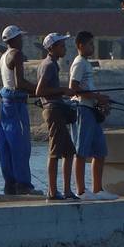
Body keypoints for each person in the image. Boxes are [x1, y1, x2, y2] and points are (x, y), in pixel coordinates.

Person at [68, 32, 115, 200]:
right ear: (80, 45)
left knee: (100, 151)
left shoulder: (86, 64)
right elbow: (74, 88)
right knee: (81, 151)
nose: (92, 48)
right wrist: (97, 97)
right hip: (82, 110)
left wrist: (100, 99)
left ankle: (97, 189)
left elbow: (87, 88)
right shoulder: (79, 63)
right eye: (89, 45)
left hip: (91, 110)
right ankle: (81, 190)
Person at [0, 26, 41, 195]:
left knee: (6, 145)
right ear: (14, 39)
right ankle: (23, 185)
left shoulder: (3, 56)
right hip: (16, 105)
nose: (22, 41)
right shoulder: (17, 54)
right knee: (20, 146)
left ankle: (10, 184)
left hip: (5, 105)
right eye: (20, 38)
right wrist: (39, 90)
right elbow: (20, 83)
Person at [35, 33, 78, 200]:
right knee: (55, 152)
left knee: (69, 152)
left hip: (56, 108)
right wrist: (63, 90)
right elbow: (40, 91)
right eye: (61, 45)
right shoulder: (49, 65)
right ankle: (53, 192)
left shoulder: (51, 64)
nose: (64, 48)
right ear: (51, 48)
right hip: (53, 110)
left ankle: (67, 191)